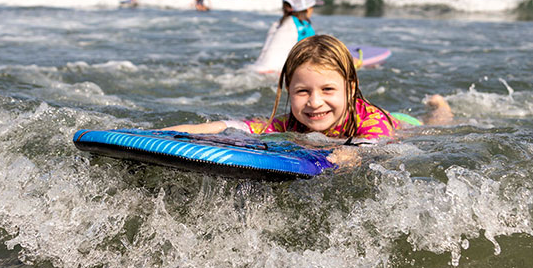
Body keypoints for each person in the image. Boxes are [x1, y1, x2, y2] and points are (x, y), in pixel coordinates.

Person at [163, 35, 452, 165]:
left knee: (435, 124)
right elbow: (234, 125)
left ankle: (440, 105)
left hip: (400, 124)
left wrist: (341, 158)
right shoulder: (290, 123)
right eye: (303, 92)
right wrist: (169, 134)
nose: (314, 102)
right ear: (289, 90)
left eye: (328, 90)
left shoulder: (372, 123)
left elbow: (368, 150)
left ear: (350, 89)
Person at [249, 0, 319, 74]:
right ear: (308, 8)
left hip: (255, 69)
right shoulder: (303, 27)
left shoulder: (277, 24)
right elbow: (312, 55)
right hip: (275, 73)